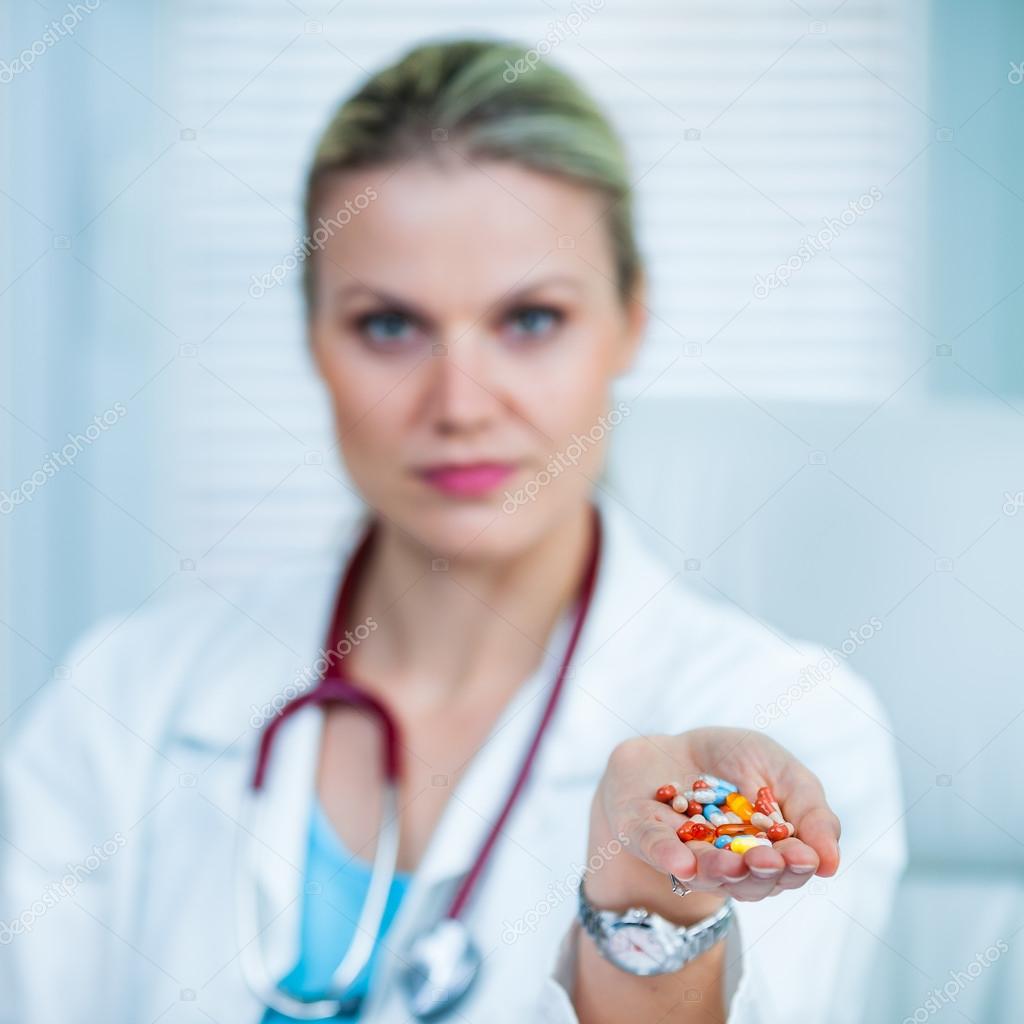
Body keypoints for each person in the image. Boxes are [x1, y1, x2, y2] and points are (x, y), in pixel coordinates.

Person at [0, 38, 906, 1023]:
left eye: (529, 319)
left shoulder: (785, 722)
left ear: (630, 318)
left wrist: (649, 895)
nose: (459, 401)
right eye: (390, 325)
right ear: (313, 337)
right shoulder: (123, 705)